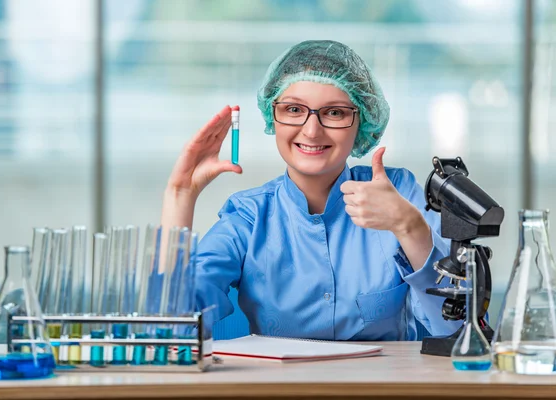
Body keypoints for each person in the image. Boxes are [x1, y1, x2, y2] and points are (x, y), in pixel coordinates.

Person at [160, 40, 461, 341]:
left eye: (334, 113)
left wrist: (409, 227)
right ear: (272, 116)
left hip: (381, 387)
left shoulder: (398, 195)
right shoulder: (249, 216)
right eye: (293, 109)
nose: (311, 130)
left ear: (362, 121)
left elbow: (459, 330)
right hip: (279, 388)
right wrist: (180, 195)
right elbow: (175, 329)